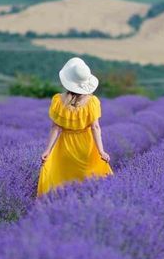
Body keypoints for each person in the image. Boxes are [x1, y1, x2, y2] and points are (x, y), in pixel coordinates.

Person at [36, 57, 112, 197]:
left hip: (65, 146)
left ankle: (58, 206)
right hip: (86, 146)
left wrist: (47, 150)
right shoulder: (92, 102)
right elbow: (95, 127)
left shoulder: (58, 101)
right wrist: (101, 151)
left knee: (62, 179)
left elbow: (56, 128)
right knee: (88, 180)